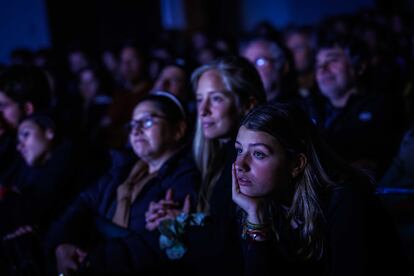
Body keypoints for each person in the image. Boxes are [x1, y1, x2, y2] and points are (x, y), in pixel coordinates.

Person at [232, 103, 405, 276]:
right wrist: (255, 217)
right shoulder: (257, 203)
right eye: (239, 150)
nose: (240, 164)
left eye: (258, 154)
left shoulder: (347, 203)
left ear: (296, 164)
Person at [47, 92, 199, 275]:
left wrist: (94, 262)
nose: (136, 130)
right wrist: (62, 243)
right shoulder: (122, 169)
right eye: (133, 124)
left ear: (179, 130)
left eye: (148, 121)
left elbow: (157, 245)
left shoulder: (185, 178)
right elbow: (82, 203)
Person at [143, 56, 266, 275]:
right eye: (199, 99)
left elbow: (230, 250)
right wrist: (173, 215)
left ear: (248, 104)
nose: (203, 111)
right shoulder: (211, 155)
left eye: (216, 99)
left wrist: (180, 225)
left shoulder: (250, 163)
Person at [240, 37, 298, 103]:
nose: (252, 69)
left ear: (282, 65)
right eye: (248, 64)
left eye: (260, 62)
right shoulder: (243, 109)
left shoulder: (301, 107)